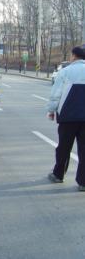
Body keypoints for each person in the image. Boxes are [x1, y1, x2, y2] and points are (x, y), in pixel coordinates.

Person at [47, 46, 85, 191]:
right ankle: (83, 182)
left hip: (68, 116)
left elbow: (56, 94)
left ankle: (58, 175)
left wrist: (51, 110)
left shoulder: (66, 71)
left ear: (74, 56)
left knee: (64, 147)